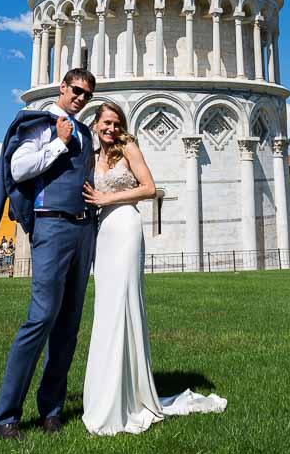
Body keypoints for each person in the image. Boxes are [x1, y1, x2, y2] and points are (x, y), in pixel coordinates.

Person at [81, 101, 226, 436]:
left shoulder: (127, 147)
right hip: (104, 233)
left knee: (125, 304)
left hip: (127, 226)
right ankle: (109, 395)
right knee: (106, 309)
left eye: (116, 123)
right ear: (96, 124)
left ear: (122, 125)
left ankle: (132, 396)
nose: (111, 128)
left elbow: (149, 188)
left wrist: (107, 200)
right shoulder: (90, 156)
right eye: (106, 122)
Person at [0, 68, 97, 440]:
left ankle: (51, 409)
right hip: (52, 225)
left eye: (87, 94)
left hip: (83, 229)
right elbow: (18, 169)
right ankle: (5, 416)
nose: (81, 98)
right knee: (41, 318)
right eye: (77, 90)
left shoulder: (84, 131)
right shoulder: (42, 124)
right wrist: (58, 143)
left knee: (68, 325)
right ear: (63, 88)